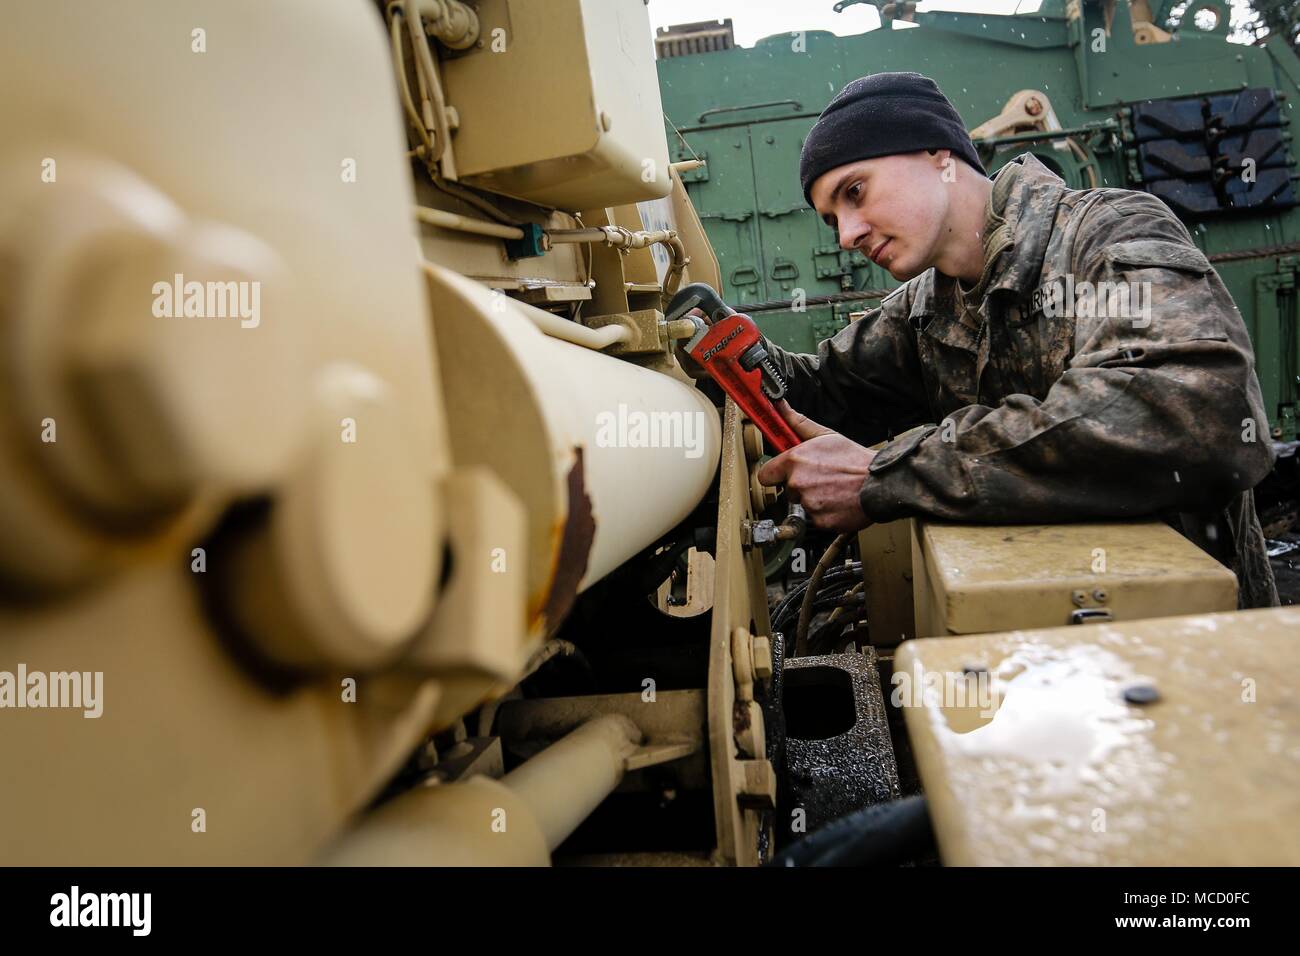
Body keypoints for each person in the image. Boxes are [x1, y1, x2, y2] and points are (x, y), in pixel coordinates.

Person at [741, 72, 1278, 608]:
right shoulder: (927, 307)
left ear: (939, 154)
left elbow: (1191, 415)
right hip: (1033, 631)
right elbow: (823, 394)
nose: (847, 234)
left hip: (1190, 630)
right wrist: (726, 349)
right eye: (833, 218)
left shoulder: (1108, 233)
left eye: (854, 192)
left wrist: (888, 474)